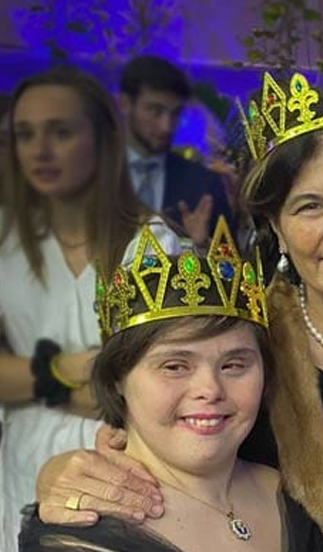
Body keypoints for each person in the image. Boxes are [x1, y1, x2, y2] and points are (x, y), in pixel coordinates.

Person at [33, 64, 323, 552]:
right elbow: (153, 437)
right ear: (277, 227)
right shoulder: (240, 344)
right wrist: (63, 475)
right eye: (310, 206)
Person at [19, 217, 282, 552]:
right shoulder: (79, 534)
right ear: (117, 379)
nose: (210, 389)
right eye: (174, 366)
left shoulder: (292, 496)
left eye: (234, 365)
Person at [0, 66, 153, 552]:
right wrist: (65, 370)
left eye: (60, 132)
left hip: (121, 467)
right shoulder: (4, 242)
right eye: (25, 135)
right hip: (20, 461)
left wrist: (29, 381)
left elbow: (151, 388)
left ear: (104, 138)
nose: (39, 150)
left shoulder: (158, 246)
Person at [119, 55, 234, 246]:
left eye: (175, 113)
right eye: (156, 111)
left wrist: (202, 246)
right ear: (125, 104)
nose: (167, 126)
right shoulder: (91, 176)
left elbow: (233, 266)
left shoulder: (204, 185)